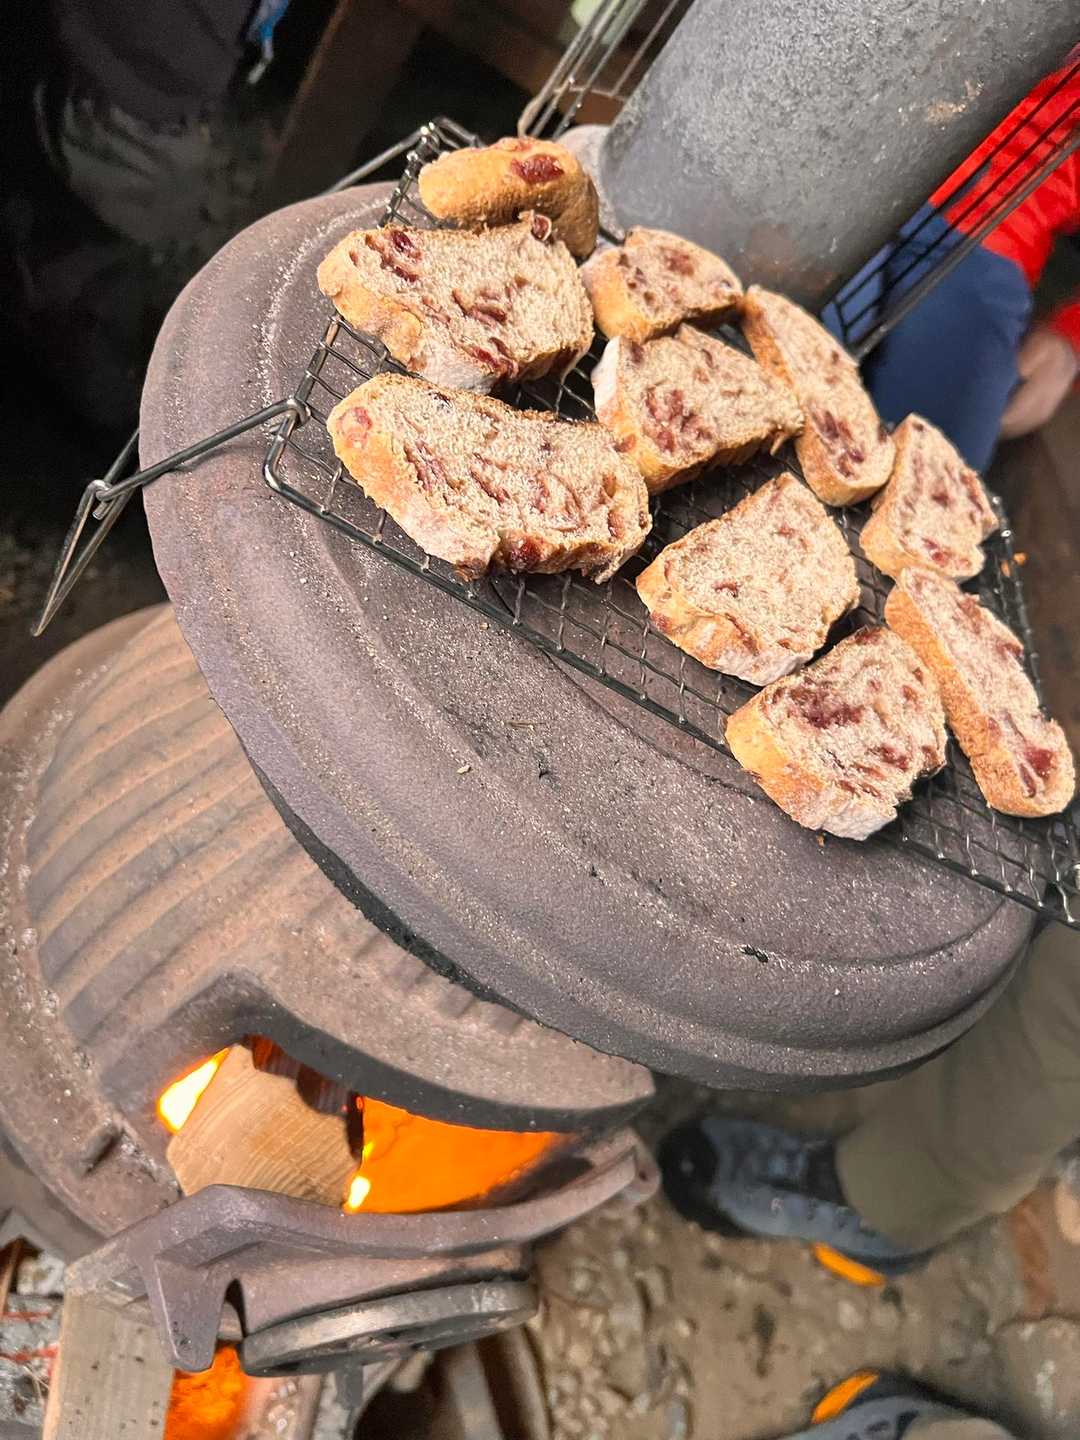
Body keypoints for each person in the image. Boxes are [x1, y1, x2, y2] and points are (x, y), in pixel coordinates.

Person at [823, 57, 1080, 475]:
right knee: (786, 335)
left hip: (1006, 219)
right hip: (871, 112)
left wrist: (1072, 336)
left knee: (937, 469)